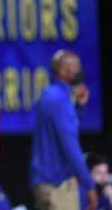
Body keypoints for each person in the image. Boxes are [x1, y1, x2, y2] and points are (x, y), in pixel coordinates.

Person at [30, 50, 98, 210]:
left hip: (50, 180)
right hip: (56, 182)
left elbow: (68, 131)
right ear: (61, 70)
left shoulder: (55, 95)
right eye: (76, 66)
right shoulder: (57, 99)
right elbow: (70, 145)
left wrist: (79, 107)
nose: (80, 71)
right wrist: (89, 184)